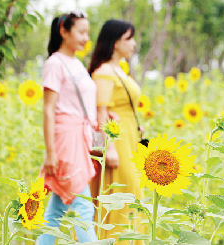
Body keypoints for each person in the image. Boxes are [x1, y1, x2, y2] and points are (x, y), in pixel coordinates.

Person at [38, 11, 98, 244]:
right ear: (64, 31)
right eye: (81, 32)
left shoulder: (77, 64)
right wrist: (50, 153)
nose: (85, 38)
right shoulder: (55, 63)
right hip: (65, 141)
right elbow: (48, 109)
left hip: (79, 139)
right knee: (83, 209)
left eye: (87, 33)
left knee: (55, 214)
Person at [88, 19, 145, 242]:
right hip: (117, 144)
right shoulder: (104, 72)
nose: (134, 43)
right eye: (129, 38)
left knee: (131, 198)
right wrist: (109, 148)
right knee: (123, 198)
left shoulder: (118, 70)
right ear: (114, 42)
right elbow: (100, 111)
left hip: (129, 139)